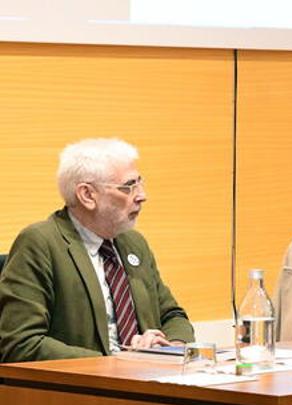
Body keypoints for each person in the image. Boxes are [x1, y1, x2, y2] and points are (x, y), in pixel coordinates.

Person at [0, 138, 193, 362]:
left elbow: (172, 315)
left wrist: (170, 348)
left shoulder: (133, 243)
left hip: (149, 381)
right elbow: (21, 343)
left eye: (139, 182)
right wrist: (116, 361)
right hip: (82, 391)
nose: (141, 195)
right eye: (128, 186)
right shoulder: (40, 243)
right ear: (87, 195)